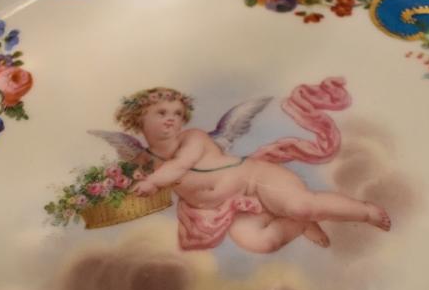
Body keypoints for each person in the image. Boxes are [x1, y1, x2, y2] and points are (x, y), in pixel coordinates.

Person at [111, 82, 390, 253]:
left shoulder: (192, 139)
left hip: (258, 180)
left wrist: (152, 182)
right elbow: (123, 183)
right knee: (259, 243)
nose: (172, 119)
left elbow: (180, 166)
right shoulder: (144, 160)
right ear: (138, 118)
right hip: (233, 207)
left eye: (177, 114)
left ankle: (364, 211)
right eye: (162, 113)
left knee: (301, 205)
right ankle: (298, 225)